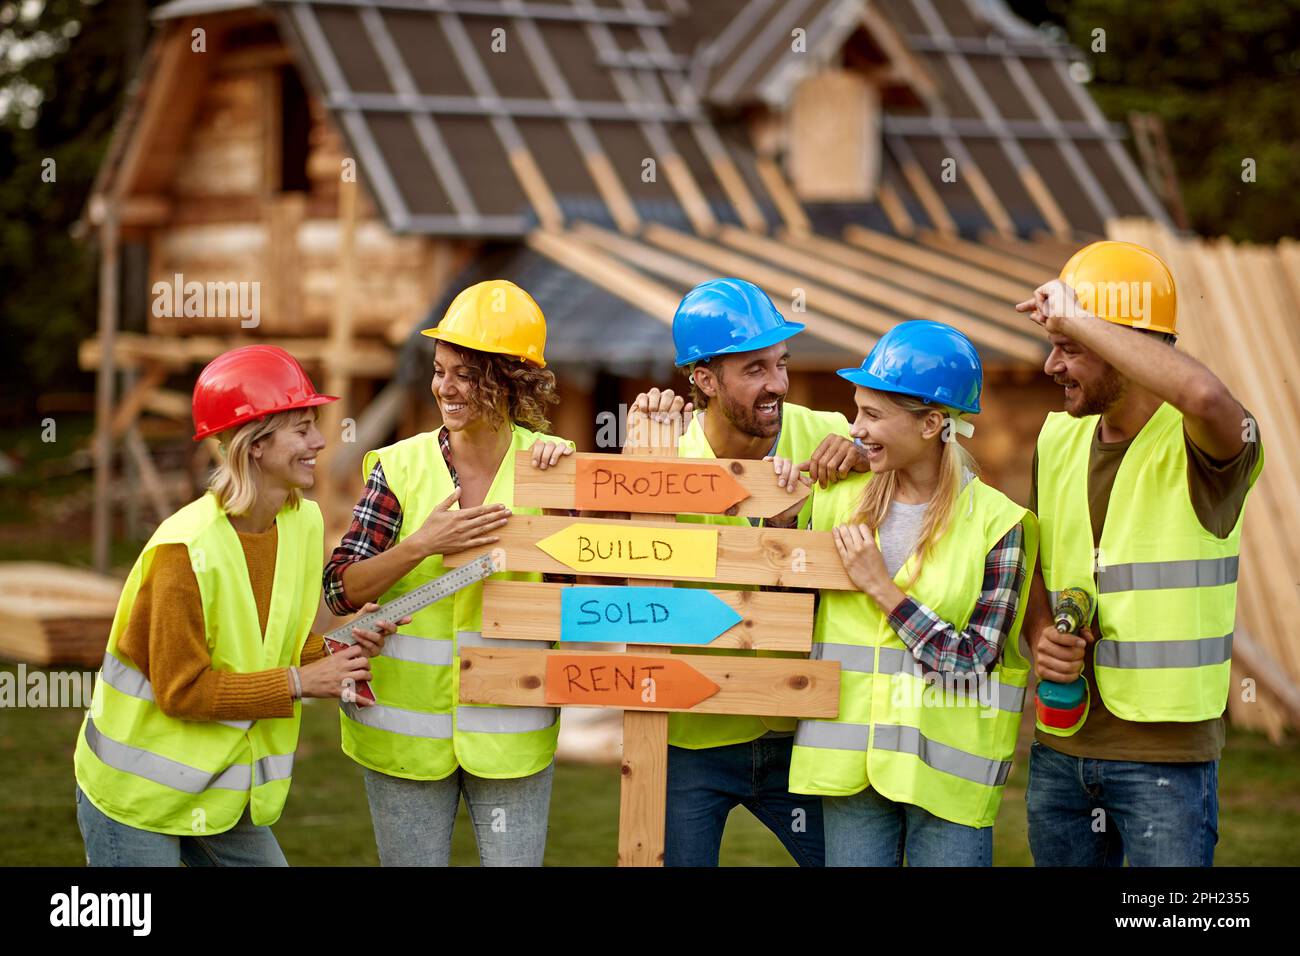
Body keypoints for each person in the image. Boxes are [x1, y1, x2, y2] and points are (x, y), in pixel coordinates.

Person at [74, 345, 402, 866]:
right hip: (135, 797)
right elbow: (181, 691)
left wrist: (337, 649)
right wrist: (301, 683)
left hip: (222, 790)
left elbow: (270, 644)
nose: (320, 441)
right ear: (255, 445)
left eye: (314, 425)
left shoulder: (304, 523)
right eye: (301, 429)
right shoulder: (184, 550)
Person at [1017, 241, 1262, 867]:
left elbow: (1205, 397)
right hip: (1060, 748)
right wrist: (1041, 631)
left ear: (1123, 345)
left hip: (1165, 765)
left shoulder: (1206, 440)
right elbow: (1039, 564)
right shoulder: (1058, 436)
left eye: (1068, 348)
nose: (1051, 366)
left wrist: (1077, 319)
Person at [324, 280, 574, 867]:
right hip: (403, 737)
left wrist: (569, 492)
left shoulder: (555, 469)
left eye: (465, 373)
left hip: (513, 731)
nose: (445, 387)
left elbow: (597, 590)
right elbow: (340, 590)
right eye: (440, 371)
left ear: (509, 380)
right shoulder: (401, 467)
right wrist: (421, 546)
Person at [625, 277, 867, 867]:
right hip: (692, 736)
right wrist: (634, 454)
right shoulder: (664, 463)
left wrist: (871, 457)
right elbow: (612, 569)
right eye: (755, 370)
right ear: (705, 379)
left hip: (802, 730)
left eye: (781, 364)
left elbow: (940, 480)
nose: (777, 385)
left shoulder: (827, 437)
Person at [782, 321, 1036, 866]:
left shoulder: (1000, 524)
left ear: (932, 424)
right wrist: (780, 495)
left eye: (873, 415)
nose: (856, 428)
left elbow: (970, 663)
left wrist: (881, 586)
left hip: (947, 786)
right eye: (856, 412)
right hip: (849, 772)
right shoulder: (834, 502)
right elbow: (772, 598)